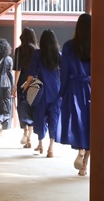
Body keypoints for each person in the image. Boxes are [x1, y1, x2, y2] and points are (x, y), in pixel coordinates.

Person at [59, 14, 92, 176]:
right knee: (92, 124)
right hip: (94, 88)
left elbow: (64, 71)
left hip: (74, 89)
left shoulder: (68, 46)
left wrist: (62, 91)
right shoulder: (98, 45)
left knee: (79, 122)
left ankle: (80, 151)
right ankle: (85, 162)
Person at [24, 29, 61, 158]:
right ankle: (51, 148)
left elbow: (31, 74)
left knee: (39, 117)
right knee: (54, 118)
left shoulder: (37, 54)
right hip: (56, 91)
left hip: (42, 91)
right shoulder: (58, 54)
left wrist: (26, 87)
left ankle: (40, 144)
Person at [13, 28, 38, 148]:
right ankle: (30, 139)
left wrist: (14, 85)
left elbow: (17, 69)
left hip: (22, 82)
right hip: (34, 82)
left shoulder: (19, 50)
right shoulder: (37, 51)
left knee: (22, 106)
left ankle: (25, 132)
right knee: (31, 107)